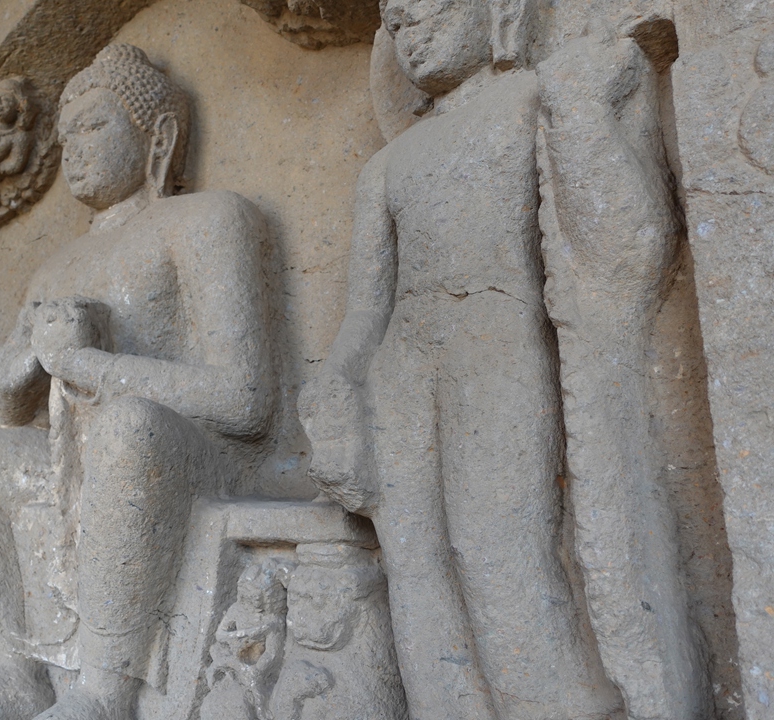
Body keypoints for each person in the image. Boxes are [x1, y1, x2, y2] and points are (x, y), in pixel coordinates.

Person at [299, 2, 703, 718]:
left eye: (431, 9)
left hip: (501, 349)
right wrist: (335, 385)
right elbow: (367, 312)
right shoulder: (389, 165)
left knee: (500, 550)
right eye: (396, 21)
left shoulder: (532, 100)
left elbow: (631, 245)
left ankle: (559, 703)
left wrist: (584, 104)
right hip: (402, 370)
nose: (410, 30)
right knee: (416, 568)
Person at [0, 44, 273, 720]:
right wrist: (15, 376)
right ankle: (15, 674)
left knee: (126, 426)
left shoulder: (206, 220)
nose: (73, 147)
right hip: (76, 456)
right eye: (67, 132)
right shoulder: (58, 266)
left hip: (178, 451)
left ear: (157, 137)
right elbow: (20, 420)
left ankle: (102, 693)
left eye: (95, 126)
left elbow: (245, 400)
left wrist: (91, 367)